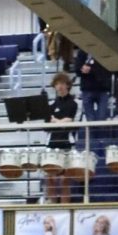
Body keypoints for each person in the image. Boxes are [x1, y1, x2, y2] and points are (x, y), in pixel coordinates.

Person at [45, 72, 77, 203]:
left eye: (63, 84)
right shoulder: (51, 105)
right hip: (51, 143)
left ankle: (65, 206)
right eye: (57, 84)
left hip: (67, 143)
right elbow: (46, 125)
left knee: (64, 178)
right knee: (50, 177)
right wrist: (60, 122)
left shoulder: (74, 103)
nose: (60, 87)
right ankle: (52, 204)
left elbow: (70, 122)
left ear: (68, 86)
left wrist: (56, 121)